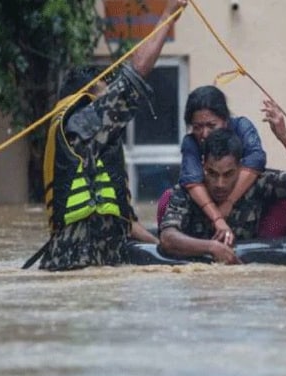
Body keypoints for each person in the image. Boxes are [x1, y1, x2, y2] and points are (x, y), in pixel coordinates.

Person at [23, 0, 187, 271]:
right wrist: (167, 16)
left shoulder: (92, 144)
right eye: (104, 95)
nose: (109, 102)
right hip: (78, 263)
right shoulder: (80, 125)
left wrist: (167, 248)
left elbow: (126, 223)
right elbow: (134, 75)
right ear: (87, 98)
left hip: (100, 262)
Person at [158, 99, 286, 264]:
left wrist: (285, 137)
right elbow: (168, 238)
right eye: (212, 173)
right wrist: (211, 247)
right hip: (200, 260)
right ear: (203, 166)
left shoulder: (257, 183)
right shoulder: (188, 191)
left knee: (285, 206)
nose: (220, 184)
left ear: (240, 167)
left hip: (255, 261)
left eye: (228, 174)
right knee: (167, 197)